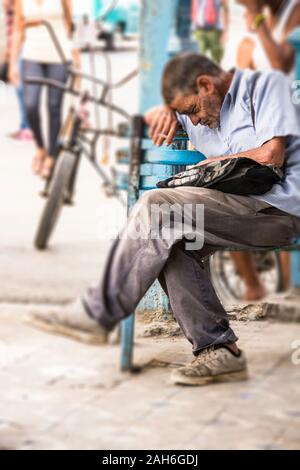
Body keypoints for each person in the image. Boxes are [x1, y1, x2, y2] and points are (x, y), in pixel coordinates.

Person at [28, 54, 300, 387]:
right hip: (230, 212)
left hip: (279, 210)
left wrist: (208, 163)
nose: (194, 122)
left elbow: (271, 155)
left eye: (192, 110)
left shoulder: (264, 86)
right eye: (187, 114)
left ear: (206, 84)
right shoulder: (195, 109)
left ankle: (99, 313)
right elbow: (169, 110)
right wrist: (169, 110)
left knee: (158, 207)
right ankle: (219, 350)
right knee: (172, 242)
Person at [232, 0, 300, 300]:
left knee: (284, 192)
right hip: (262, 123)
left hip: (289, 121)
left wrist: (258, 20)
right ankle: (254, 285)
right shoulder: (256, 21)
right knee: (227, 185)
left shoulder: (291, 12)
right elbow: (239, 77)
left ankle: (288, 285)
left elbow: (280, 64)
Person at [9, 0, 80, 178]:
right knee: (30, 104)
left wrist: (76, 58)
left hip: (59, 55)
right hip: (32, 56)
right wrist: (12, 64)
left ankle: (51, 156)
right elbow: (18, 29)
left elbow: (69, 26)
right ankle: (40, 148)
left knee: (54, 106)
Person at [2, 0, 32, 141]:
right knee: (20, 90)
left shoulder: (20, 6)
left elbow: (20, 28)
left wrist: (13, 51)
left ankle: (27, 127)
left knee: (22, 89)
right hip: (15, 48)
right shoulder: (9, 9)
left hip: (23, 47)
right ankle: (24, 126)